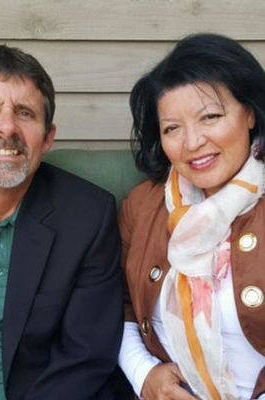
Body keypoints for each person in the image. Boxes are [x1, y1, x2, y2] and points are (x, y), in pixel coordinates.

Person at [0, 44, 123, 400]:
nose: (7, 127)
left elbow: (85, 356)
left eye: (25, 113)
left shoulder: (88, 217)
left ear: (48, 138)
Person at [118, 33, 265, 400]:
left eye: (210, 117)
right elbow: (116, 306)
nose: (192, 141)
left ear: (250, 113)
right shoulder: (144, 205)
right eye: (172, 128)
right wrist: (145, 375)